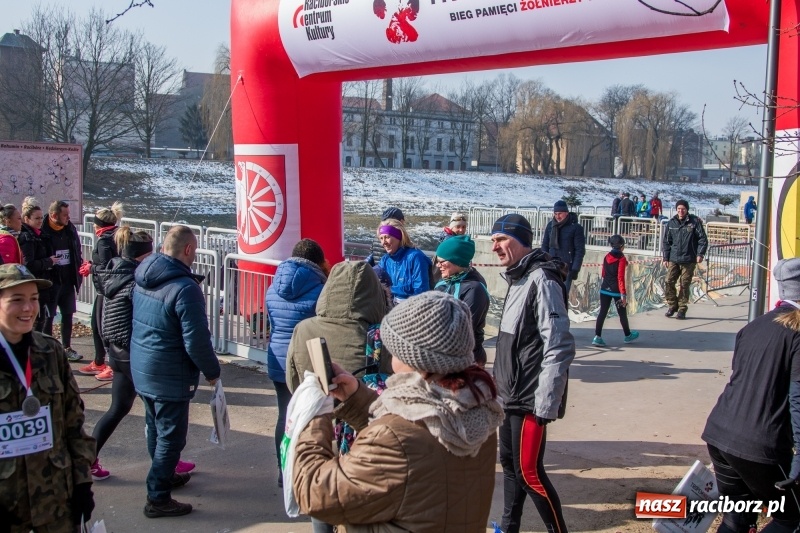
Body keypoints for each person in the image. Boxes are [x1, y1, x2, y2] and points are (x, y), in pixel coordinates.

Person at [292, 291, 504, 532]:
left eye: (394, 350)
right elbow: (417, 446)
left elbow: (314, 491)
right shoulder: (475, 410)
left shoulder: (394, 437)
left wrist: (315, 415)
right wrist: (357, 399)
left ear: (413, 357)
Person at [701, 258, 800, 533]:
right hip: (759, 445)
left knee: (738, 517)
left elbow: (742, 380)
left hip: (720, 433)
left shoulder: (756, 325)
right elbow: (797, 401)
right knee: (792, 518)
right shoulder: (797, 333)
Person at [491, 213, 575, 533]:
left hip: (530, 396)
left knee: (529, 472)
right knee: (510, 468)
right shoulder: (516, 276)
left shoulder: (543, 278)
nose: (495, 247)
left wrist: (546, 400)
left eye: (501, 240)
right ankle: (509, 527)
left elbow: (559, 344)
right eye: (493, 241)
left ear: (521, 240)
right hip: (509, 393)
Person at [130, 225, 221, 518]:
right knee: (172, 436)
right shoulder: (185, 288)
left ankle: (164, 477)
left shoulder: (144, 275)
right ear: (189, 250)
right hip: (169, 373)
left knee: (156, 427)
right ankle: (157, 496)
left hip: (143, 367)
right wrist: (212, 371)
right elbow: (196, 340)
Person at [0, 263, 96, 532]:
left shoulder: (50, 351)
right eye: (16, 300)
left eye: (33, 299)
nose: (29, 308)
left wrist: (82, 483)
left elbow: (73, 423)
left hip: (55, 501)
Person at [266, 238, 329, 488]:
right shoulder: (321, 290)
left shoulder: (273, 287)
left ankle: (284, 471)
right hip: (307, 361)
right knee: (310, 418)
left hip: (278, 359)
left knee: (285, 415)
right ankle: (303, 472)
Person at [286, 260, 390, 392]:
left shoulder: (302, 329)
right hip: (359, 409)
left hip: (314, 408)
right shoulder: (381, 336)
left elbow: (292, 379)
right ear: (375, 294)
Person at [78, 203, 123, 382]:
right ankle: (99, 361)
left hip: (105, 290)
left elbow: (106, 266)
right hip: (106, 289)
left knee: (102, 328)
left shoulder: (104, 241)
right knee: (97, 326)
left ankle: (110, 366)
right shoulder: (117, 235)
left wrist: (91, 267)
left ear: (99, 225)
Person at [434, 235, 490, 367]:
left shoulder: (474, 289)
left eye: (442, 261)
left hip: (468, 359)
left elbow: (464, 329)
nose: (438, 265)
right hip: (444, 354)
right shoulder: (443, 283)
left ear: (457, 262)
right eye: (437, 260)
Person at [40, 200, 83, 362]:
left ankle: (67, 348)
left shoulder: (70, 228)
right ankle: (48, 349)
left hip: (67, 280)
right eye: (65, 215)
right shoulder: (43, 231)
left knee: (68, 314)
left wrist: (78, 267)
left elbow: (76, 249)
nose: (68, 217)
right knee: (49, 316)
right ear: (53, 215)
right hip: (51, 281)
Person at [662, 199, 708, 320]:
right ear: (676, 210)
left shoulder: (694, 222)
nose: (681, 211)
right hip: (674, 258)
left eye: (683, 209)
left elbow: (702, 239)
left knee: (684, 284)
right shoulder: (671, 223)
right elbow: (666, 242)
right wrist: (665, 257)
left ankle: (682, 309)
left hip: (689, 259)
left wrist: (700, 254)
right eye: (678, 209)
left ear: (687, 210)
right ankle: (672, 305)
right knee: (668, 281)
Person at [592, 235, 639, 347]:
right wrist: (623, 294)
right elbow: (620, 277)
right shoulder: (621, 259)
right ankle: (628, 335)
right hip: (616, 290)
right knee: (622, 314)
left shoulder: (606, 256)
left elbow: (603, 273)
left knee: (602, 313)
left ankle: (597, 337)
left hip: (604, 288)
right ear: (622, 246)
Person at [17, 197, 56, 333]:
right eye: (37, 218)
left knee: (41, 320)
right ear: (26, 219)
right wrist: (48, 262)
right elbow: (29, 264)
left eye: (41, 218)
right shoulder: (27, 238)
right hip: (34, 284)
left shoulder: (39, 235)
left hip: (41, 284)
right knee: (36, 323)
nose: (40, 221)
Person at [377, 218, 432, 303]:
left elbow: (421, 292)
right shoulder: (385, 260)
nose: (383, 242)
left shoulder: (415, 257)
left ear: (399, 237)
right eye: (381, 238)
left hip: (410, 308)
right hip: (390, 306)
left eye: (387, 237)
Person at [541, 200, 585, 294]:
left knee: (562, 296)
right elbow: (545, 245)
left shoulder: (576, 228)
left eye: (560, 213)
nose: (558, 216)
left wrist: (575, 269)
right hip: (551, 265)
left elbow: (579, 250)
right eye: (555, 213)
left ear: (566, 213)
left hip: (566, 267)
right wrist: (544, 261)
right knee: (549, 295)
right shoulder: (551, 226)